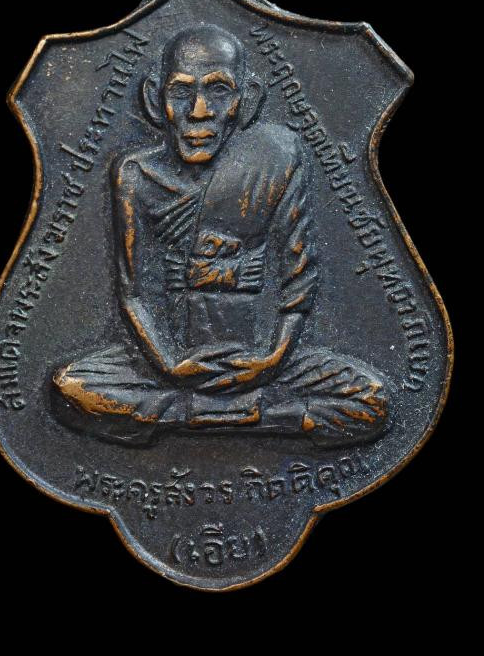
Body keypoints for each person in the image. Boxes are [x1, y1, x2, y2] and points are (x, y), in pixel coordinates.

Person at [54, 25, 390, 446]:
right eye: (181, 92)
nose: (199, 111)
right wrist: (169, 363)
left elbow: (298, 280)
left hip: (263, 356)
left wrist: (271, 359)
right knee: (70, 389)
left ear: (245, 100)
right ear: (155, 100)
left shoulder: (277, 157)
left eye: (218, 91)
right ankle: (253, 415)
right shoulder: (136, 175)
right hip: (171, 360)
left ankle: (193, 415)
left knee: (372, 399)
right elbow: (133, 292)